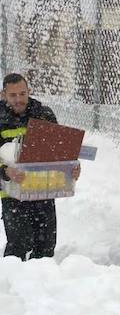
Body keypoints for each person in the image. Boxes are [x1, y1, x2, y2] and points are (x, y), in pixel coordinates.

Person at [0, 73, 80, 260]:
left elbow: (60, 153)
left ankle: (43, 285)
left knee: (45, 246)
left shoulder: (44, 114)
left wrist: (73, 168)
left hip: (41, 188)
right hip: (11, 192)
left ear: (29, 91)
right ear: (4, 94)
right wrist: (6, 171)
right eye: (13, 95)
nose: (18, 99)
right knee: (19, 244)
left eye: (22, 93)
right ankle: (13, 283)